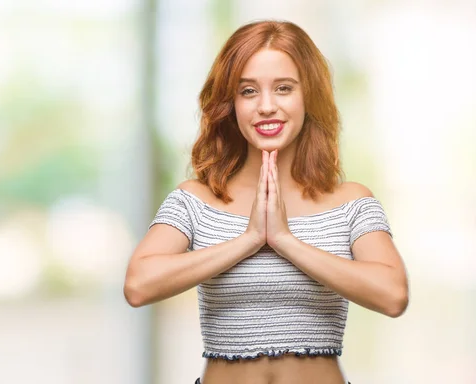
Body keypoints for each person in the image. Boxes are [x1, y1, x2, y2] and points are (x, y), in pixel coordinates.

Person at [123, 19, 409, 384]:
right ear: (230, 104)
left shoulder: (351, 201)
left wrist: (286, 241)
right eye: (248, 91)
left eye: (284, 88)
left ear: (309, 96)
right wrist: (249, 239)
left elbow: (393, 295)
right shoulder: (194, 199)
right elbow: (138, 285)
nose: (267, 106)